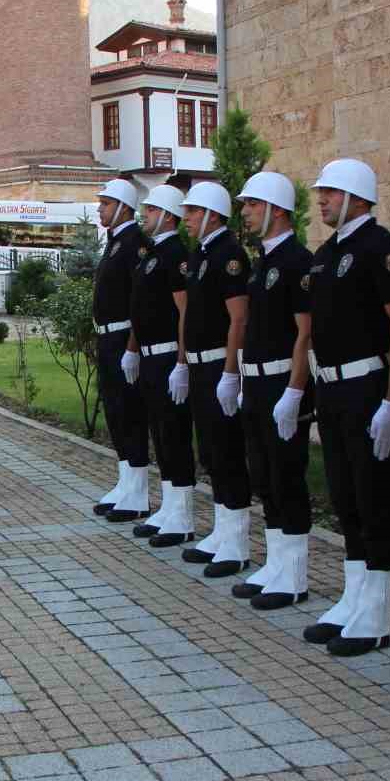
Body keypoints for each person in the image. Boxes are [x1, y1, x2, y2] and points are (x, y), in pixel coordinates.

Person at [299, 159, 390, 657]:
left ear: (358, 197)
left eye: (330, 193)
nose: (321, 201)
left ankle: (378, 612)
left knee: (372, 497)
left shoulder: (379, 249)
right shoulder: (326, 253)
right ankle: (354, 596)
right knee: (345, 495)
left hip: (367, 384)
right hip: (332, 387)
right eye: (321, 193)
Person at [231, 171, 317, 611]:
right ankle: (276, 563)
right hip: (259, 380)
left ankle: (296, 574)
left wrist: (295, 392)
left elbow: (306, 334)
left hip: (284, 381)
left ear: (277, 209)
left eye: (252, 204)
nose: (245, 212)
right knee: (264, 475)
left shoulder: (298, 262)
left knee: (287, 477)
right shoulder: (264, 259)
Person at [177, 181, 253, 577]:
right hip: (200, 364)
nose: (186, 218)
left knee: (226, 452)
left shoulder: (229, 256)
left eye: (192, 211)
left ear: (212, 214)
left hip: (220, 366)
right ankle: (223, 532)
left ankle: (238, 543)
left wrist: (230, 373)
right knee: (209, 450)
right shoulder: (201, 254)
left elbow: (238, 318)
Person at [124, 184, 197, 547]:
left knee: (174, 435)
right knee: (160, 435)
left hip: (169, 355)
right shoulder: (153, 254)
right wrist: (132, 349)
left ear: (168, 216)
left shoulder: (175, 256)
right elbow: (141, 308)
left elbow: (184, 312)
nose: (145, 216)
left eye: (152, 211)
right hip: (150, 354)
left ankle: (182, 516)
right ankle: (169, 508)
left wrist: (182, 362)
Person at [91, 178, 152, 524]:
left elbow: (138, 302)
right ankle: (127, 483)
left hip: (124, 339)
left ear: (124, 207)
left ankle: (139, 492)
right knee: (115, 412)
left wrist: (132, 347)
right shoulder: (115, 242)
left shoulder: (135, 245)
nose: (100, 209)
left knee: (130, 414)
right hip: (107, 338)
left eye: (106, 204)